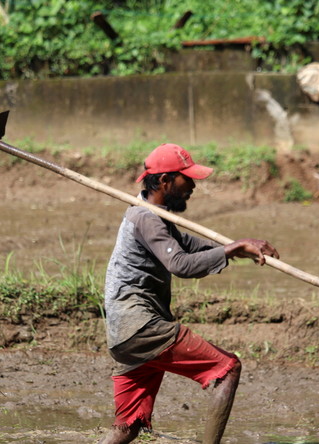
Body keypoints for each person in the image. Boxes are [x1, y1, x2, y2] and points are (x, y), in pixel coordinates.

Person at [99, 143, 279, 444]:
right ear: (166, 181)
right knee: (228, 369)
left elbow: (188, 245)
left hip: (124, 336)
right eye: (187, 179)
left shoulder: (154, 216)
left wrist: (239, 247)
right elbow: (180, 264)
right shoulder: (145, 217)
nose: (193, 186)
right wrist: (230, 249)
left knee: (128, 427)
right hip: (142, 326)